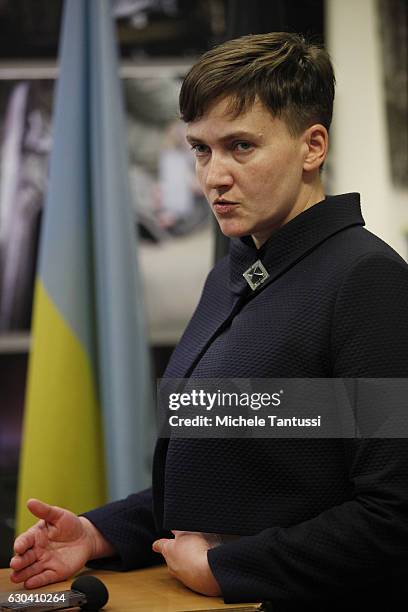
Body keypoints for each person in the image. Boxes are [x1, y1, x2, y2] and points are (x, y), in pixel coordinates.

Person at [10, 32, 408, 610]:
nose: (214, 176)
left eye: (240, 147)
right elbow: (234, 472)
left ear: (312, 146)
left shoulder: (367, 280)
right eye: (200, 149)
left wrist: (229, 567)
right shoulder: (234, 273)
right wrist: (100, 533)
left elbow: (393, 512)